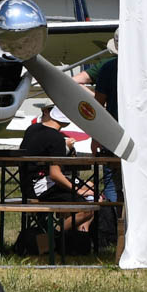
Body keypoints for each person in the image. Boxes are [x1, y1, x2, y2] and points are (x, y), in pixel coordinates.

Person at [18, 106, 95, 250]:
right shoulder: (57, 138)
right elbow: (55, 174)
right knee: (88, 208)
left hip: (27, 184)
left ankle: (77, 241)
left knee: (90, 187)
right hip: (41, 187)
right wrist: (77, 191)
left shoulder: (32, 129)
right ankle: (50, 238)